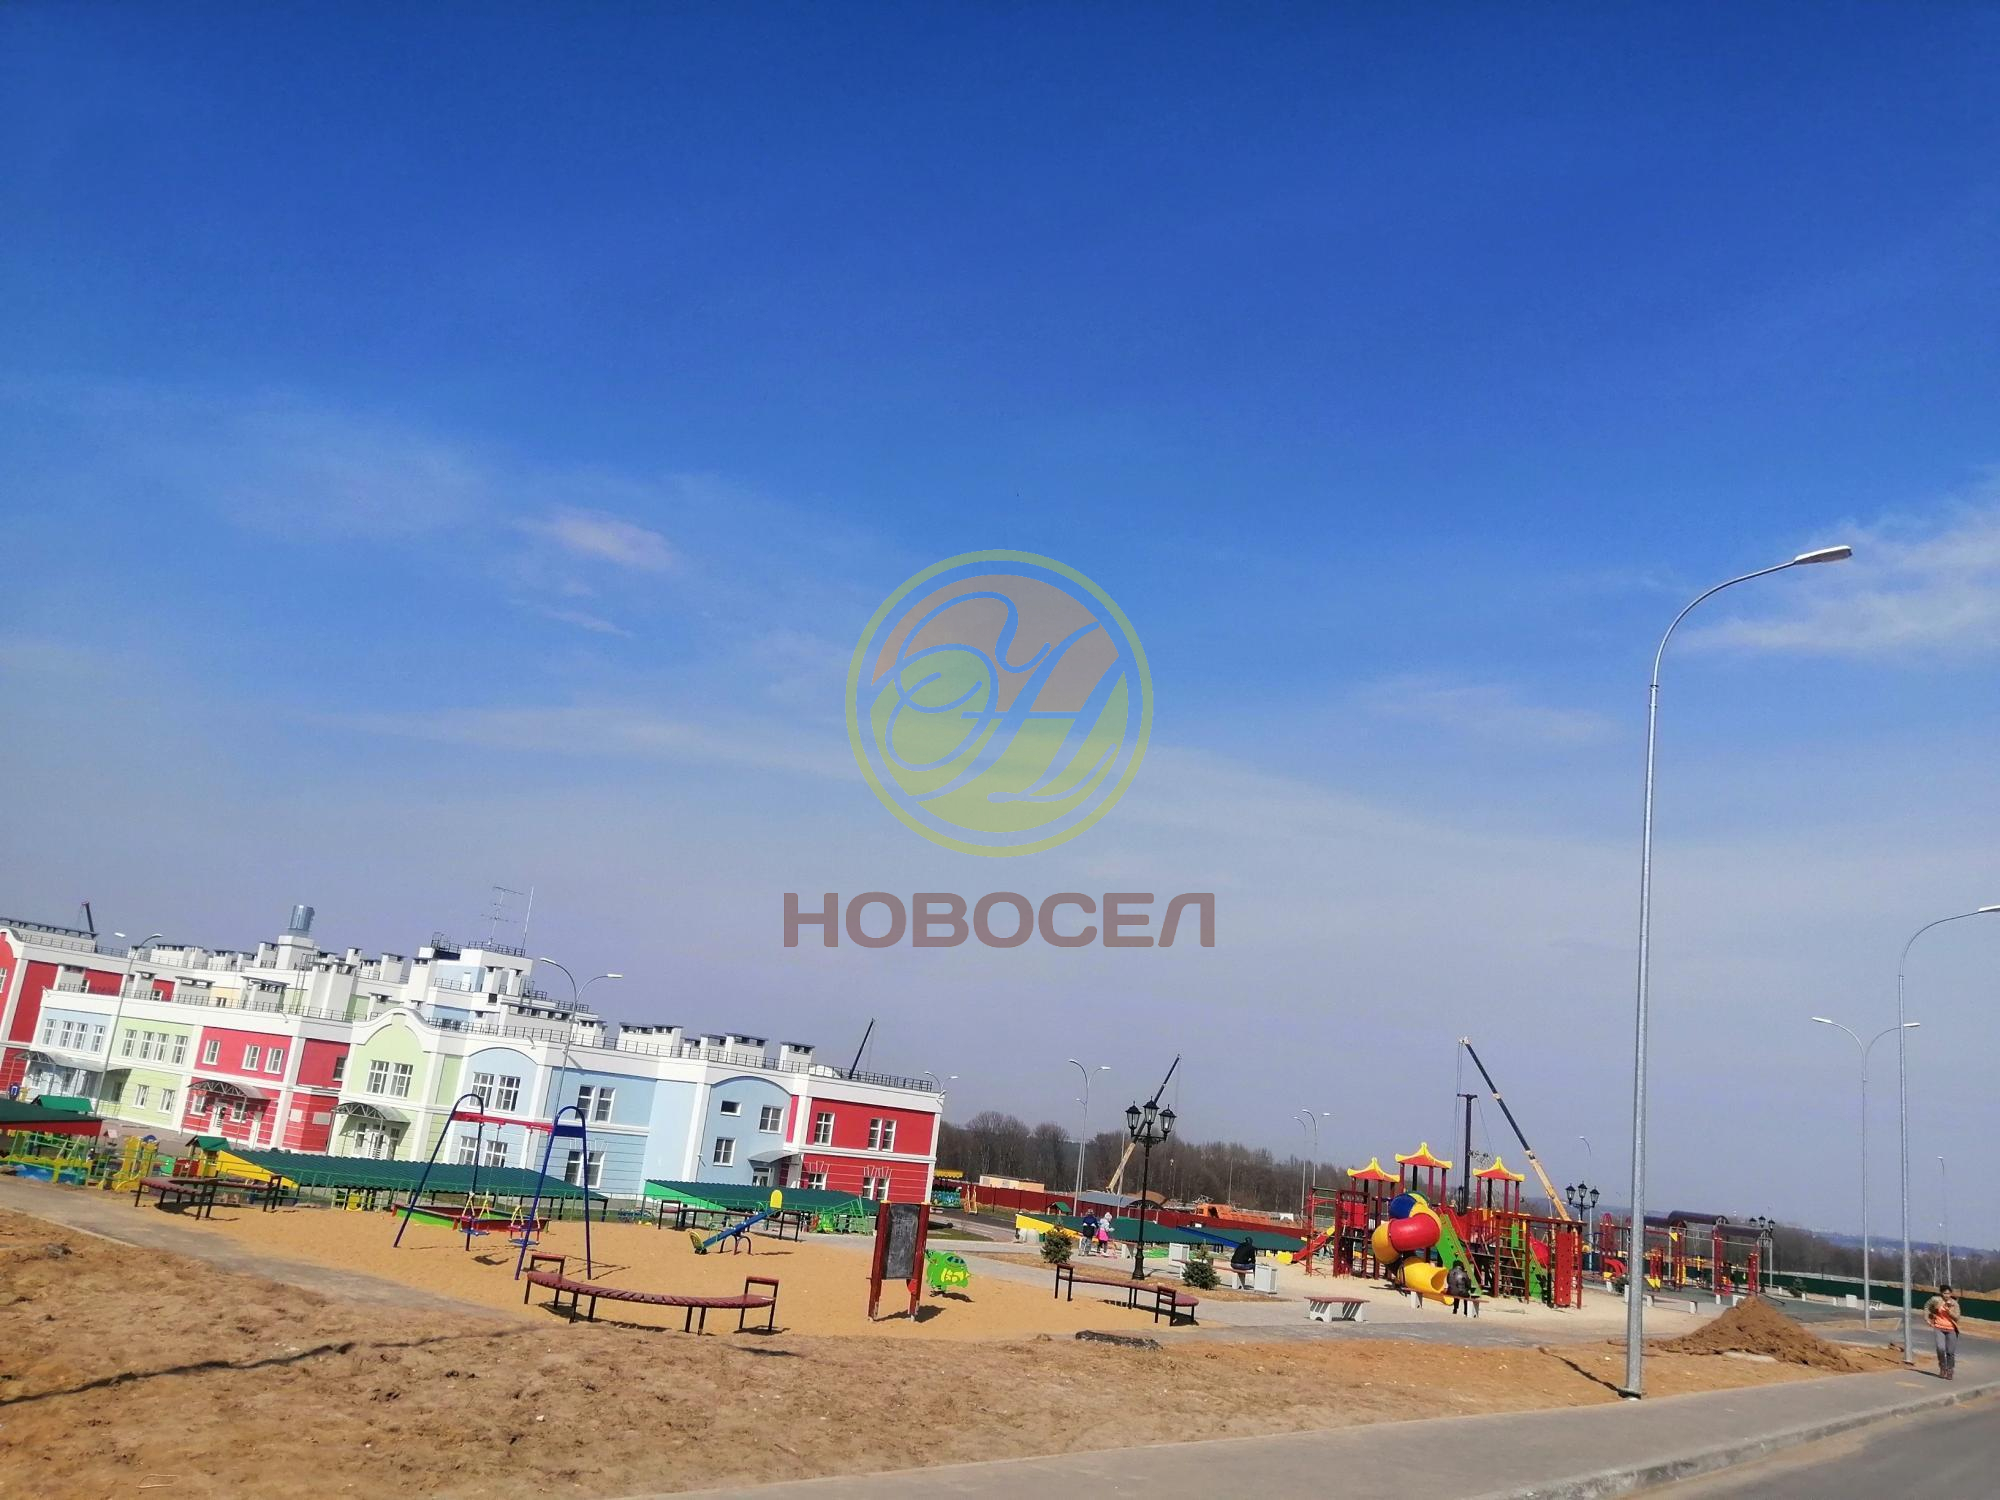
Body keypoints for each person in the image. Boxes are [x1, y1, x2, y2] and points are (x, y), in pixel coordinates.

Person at [1925, 1284, 1961, 1380]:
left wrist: (1949, 1312)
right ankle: (1942, 1367)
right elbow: (1927, 1307)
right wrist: (1927, 1319)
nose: (1947, 1295)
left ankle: (1950, 1370)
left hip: (1951, 1329)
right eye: (1945, 1293)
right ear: (1941, 1293)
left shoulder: (1954, 1303)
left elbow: (1957, 1317)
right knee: (1940, 1348)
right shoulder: (1935, 1300)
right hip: (1939, 1327)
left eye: (1949, 1293)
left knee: (1950, 1351)